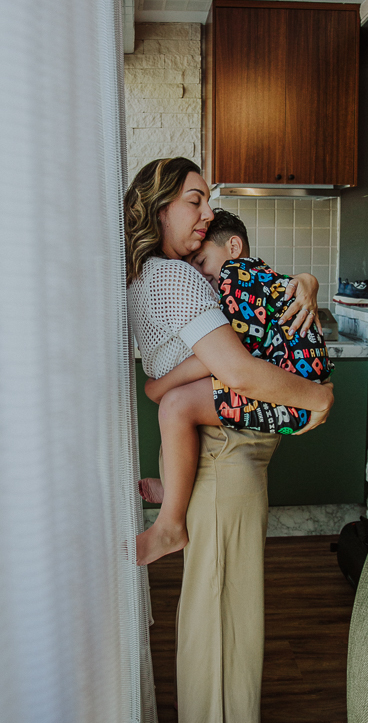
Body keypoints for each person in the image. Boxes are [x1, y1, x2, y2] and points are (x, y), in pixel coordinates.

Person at [125, 157, 333, 723]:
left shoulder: (163, 278)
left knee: (216, 610)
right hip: (227, 459)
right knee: (225, 617)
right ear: (159, 209)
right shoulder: (174, 279)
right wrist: (315, 399)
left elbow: (178, 374)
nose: (206, 211)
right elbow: (238, 373)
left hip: (222, 458)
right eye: (193, 201)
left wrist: (301, 283)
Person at [136, 208, 332, 567]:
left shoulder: (236, 278)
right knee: (179, 404)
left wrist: (158, 385)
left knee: (176, 406)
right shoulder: (252, 276)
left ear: (233, 246)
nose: (197, 271)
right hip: (290, 391)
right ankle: (177, 491)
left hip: (292, 398)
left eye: (201, 260)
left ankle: (169, 524)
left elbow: (232, 357)